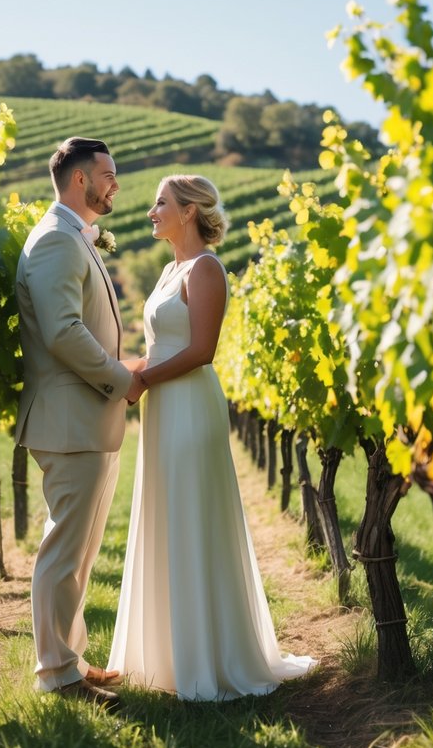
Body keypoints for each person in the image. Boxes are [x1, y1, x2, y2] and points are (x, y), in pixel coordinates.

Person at [108, 174, 317, 699]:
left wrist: (140, 383)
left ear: (188, 212)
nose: (151, 211)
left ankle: (208, 658)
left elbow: (202, 350)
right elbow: (156, 349)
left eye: (161, 203)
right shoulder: (167, 270)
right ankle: (169, 657)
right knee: (167, 516)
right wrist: (114, 374)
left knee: (192, 517)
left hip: (190, 407)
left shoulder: (205, 269)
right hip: (162, 407)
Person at [15, 136, 143, 710]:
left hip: (87, 419)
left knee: (80, 552)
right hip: (70, 419)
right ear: (78, 180)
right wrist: (122, 378)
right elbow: (64, 332)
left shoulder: (73, 237)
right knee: (63, 551)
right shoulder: (55, 241)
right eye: (108, 174)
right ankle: (55, 673)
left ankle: (71, 661)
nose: (115, 183)